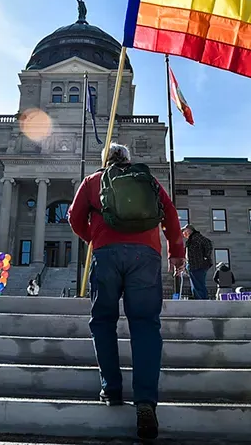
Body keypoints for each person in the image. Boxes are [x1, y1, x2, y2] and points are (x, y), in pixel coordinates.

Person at [69, 142, 184, 440]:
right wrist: (176, 252)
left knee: (104, 321)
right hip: (145, 255)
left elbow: (73, 217)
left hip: (106, 254)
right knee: (145, 325)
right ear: (129, 160)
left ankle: (112, 388)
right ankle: (145, 402)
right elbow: (170, 214)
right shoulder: (147, 179)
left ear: (105, 160)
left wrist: (93, 237)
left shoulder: (93, 180)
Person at [181, 225, 213, 300]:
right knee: (196, 285)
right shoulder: (191, 239)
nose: (183, 234)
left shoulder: (196, 237)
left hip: (198, 265)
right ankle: (200, 300)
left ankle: (202, 301)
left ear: (188, 230)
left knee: (198, 285)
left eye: (184, 232)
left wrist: (205, 257)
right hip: (193, 265)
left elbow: (208, 244)